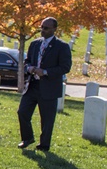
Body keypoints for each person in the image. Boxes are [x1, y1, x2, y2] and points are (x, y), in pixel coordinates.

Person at [17, 17, 72, 151]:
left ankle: (44, 145)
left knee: (47, 119)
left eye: (46, 28)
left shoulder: (62, 46)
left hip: (49, 88)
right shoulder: (35, 44)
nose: (42, 30)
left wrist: (46, 72)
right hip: (33, 85)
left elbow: (65, 67)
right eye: (41, 27)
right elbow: (27, 61)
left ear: (54, 29)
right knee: (22, 112)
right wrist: (29, 68)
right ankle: (27, 138)